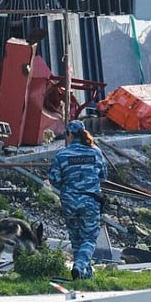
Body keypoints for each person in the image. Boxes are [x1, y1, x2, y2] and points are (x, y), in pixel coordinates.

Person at [46, 119, 107, 280]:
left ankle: (84, 275)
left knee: (76, 239)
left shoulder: (62, 155)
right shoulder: (96, 152)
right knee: (90, 238)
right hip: (90, 200)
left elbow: (54, 179)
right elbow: (103, 175)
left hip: (69, 201)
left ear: (70, 135)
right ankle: (79, 266)